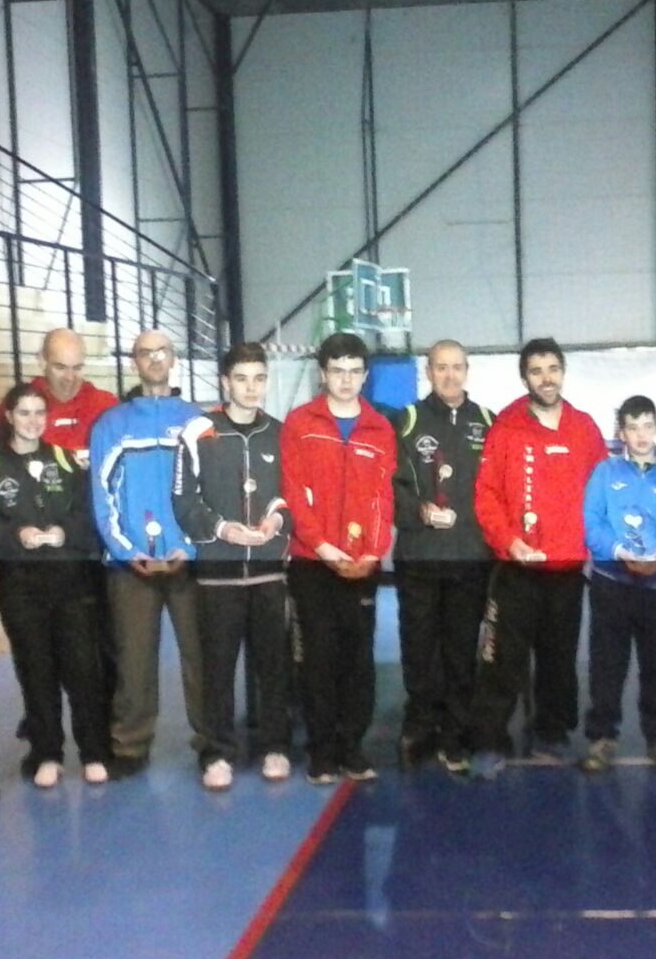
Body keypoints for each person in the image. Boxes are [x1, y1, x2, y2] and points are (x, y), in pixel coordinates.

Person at [469, 337, 606, 779]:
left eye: (553, 369)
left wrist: (597, 547)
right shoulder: (506, 427)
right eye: (536, 371)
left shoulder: (584, 429)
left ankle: (552, 732)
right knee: (501, 659)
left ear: (563, 372)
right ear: (524, 377)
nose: (546, 379)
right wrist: (509, 542)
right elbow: (487, 494)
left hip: (567, 571)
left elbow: (602, 494)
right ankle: (490, 740)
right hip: (517, 569)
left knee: (559, 659)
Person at [173, 342, 292, 789]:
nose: (251, 387)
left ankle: (274, 746)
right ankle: (217, 752)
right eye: (241, 379)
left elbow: (292, 495)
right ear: (225, 382)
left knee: (273, 667)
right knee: (217, 670)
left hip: (269, 572)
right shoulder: (198, 432)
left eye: (258, 378)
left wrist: (276, 519)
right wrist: (222, 529)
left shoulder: (281, 434)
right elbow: (183, 501)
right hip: (217, 573)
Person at [280, 332, 396, 784]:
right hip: (313, 563)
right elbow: (293, 492)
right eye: (337, 371)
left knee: (358, 659)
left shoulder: (380, 429)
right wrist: (325, 550)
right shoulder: (299, 424)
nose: (346, 380)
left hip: (362, 565)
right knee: (318, 659)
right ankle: (322, 752)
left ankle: (353, 748)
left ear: (365, 376)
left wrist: (373, 552)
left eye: (354, 372)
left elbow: (383, 498)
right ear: (323, 374)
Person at [88, 331, 206, 779]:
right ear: (134, 362)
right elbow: (102, 494)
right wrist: (126, 551)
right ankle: (131, 745)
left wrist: (190, 547)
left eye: (162, 352)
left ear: (173, 359)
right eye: (145, 353)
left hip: (188, 561)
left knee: (201, 658)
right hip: (130, 566)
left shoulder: (197, 420)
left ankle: (210, 741)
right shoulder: (111, 424)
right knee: (133, 661)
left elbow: (208, 491)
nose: (154, 360)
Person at [0, 384, 110, 788]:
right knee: (36, 672)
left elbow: (88, 516)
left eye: (40, 412)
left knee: (83, 670)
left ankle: (93, 751)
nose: (33, 421)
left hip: (70, 584)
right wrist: (16, 534)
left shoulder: (65, 461)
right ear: (9, 416)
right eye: (24, 412)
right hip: (20, 588)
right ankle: (47, 753)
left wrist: (63, 532)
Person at [389, 339, 493, 772]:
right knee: (418, 648)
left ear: (467, 370)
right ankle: (419, 727)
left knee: (461, 649)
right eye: (440, 367)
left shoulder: (488, 421)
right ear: (428, 371)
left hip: (470, 557)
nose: (449, 375)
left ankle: (455, 732)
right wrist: (418, 511)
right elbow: (389, 486)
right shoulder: (407, 421)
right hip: (419, 556)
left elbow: (497, 489)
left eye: (456, 367)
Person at [579, 395, 656, 773]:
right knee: (607, 665)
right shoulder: (605, 474)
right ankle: (602, 737)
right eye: (632, 427)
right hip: (612, 583)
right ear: (621, 432)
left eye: (647, 426)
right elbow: (592, 522)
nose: (641, 435)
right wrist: (620, 551)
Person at [0, 328, 117, 460]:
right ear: (42, 361)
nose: (69, 378)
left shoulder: (106, 406)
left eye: (77, 368)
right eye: (60, 368)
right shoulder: (20, 404)